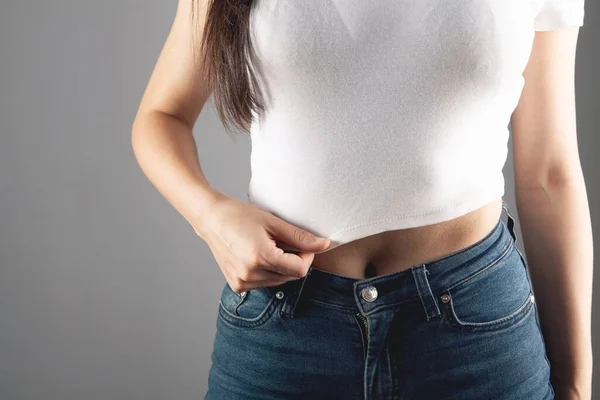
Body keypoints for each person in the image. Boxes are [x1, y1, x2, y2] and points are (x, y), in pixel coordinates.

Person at [131, 0, 593, 399]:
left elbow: (549, 175)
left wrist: (575, 385)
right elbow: (161, 115)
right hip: (284, 327)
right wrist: (211, 216)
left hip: (473, 332)